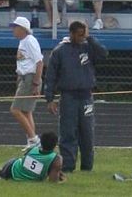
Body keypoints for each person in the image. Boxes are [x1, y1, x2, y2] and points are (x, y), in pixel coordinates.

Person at [45, 21, 107, 173]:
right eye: (79, 35)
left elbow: (104, 54)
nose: (82, 38)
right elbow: (50, 76)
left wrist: (90, 38)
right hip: (68, 97)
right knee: (68, 132)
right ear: (71, 34)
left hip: (86, 96)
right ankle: (67, 166)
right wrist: (50, 98)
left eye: (84, 34)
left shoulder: (88, 47)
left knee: (87, 132)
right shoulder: (60, 51)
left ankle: (87, 166)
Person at [9, 16, 43, 149]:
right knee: (26, 111)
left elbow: (39, 62)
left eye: (15, 27)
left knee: (15, 110)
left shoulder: (30, 41)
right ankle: (31, 140)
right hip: (25, 78)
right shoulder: (23, 42)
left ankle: (34, 138)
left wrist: (36, 83)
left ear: (23, 29)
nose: (13, 30)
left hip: (30, 78)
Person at [0, 131, 64, 182]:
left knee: (2, 172)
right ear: (55, 144)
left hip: (12, 169)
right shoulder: (56, 159)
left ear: (41, 142)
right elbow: (53, 181)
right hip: (19, 173)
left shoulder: (33, 149)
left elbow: (25, 160)